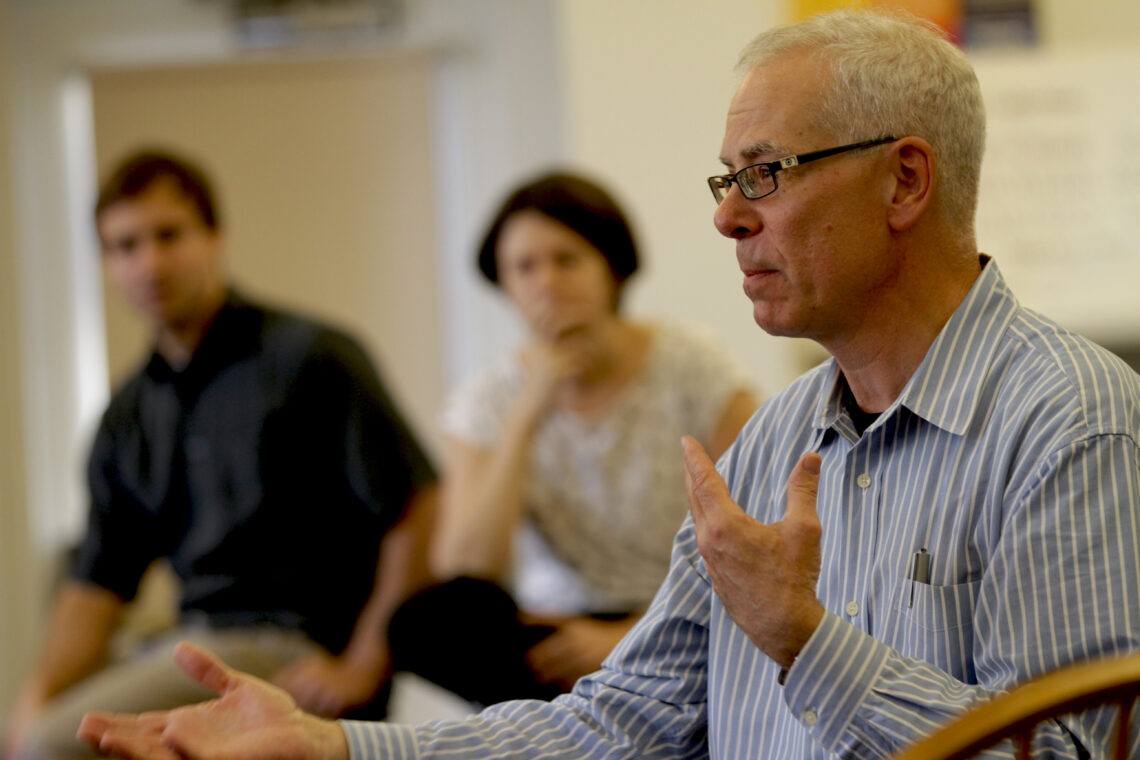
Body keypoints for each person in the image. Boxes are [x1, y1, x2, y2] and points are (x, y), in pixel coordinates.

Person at [77, 9, 1140, 760]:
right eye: (730, 181)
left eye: (766, 174)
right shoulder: (771, 444)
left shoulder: (1068, 418)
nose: (728, 217)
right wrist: (335, 746)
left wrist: (806, 642)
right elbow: (619, 720)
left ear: (905, 179)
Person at [4, 149, 438, 760]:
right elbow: (96, 587)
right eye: (125, 246)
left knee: (56, 748)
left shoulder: (312, 357)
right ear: (106, 262)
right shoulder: (128, 414)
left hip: (293, 645)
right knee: (36, 728)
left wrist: (363, 664)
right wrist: (35, 696)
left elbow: (416, 507)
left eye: (168, 235)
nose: (149, 263)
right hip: (192, 643)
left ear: (215, 236)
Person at [385, 172, 757, 705]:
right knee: (428, 622)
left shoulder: (692, 365)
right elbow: (467, 565)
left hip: (680, 608)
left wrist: (627, 635)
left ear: (611, 269)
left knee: (750, 598)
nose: (546, 283)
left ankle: (630, 684)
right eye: (524, 267)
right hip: (556, 621)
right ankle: (577, 709)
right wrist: (527, 412)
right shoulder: (490, 398)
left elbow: (759, 520)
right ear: (505, 285)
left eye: (566, 260)